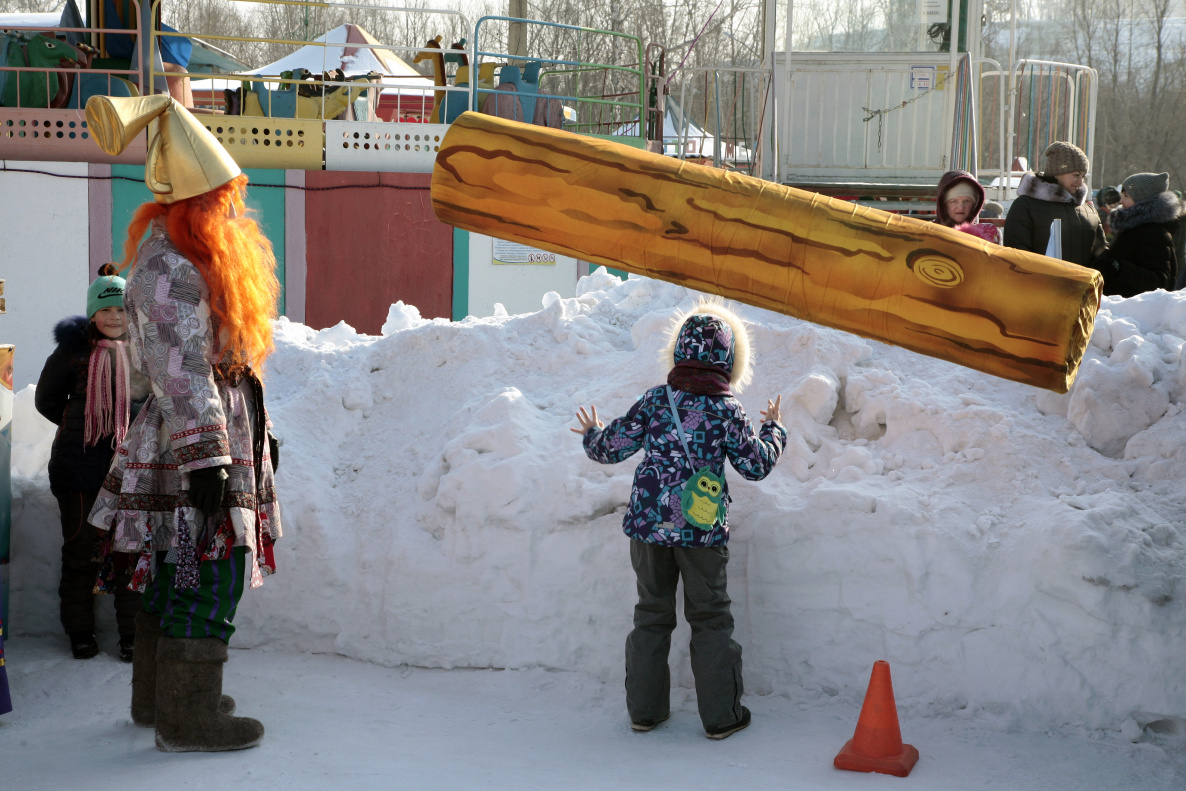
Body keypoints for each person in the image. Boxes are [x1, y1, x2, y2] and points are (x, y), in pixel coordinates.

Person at [84, 94, 281, 752]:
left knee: (175, 569)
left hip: (200, 439)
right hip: (188, 449)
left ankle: (163, 697)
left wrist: (250, 438)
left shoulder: (183, 258)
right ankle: (186, 715)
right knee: (208, 568)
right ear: (192, 204)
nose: (231, 209)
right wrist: (210, 460)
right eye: (221, 199)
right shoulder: (167, 270)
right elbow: (180, 372)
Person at [573, 302, 785, 740]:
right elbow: (755, 466)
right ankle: (721, 718)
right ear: (727, 360)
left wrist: (593, 432)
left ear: (678, 353)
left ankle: (645, 713)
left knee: (651, 613)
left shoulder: (656, 400)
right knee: (710, 617)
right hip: (701, 531)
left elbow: (611, 448)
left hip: (649, 527)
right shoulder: (728, 411)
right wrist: (774, 430)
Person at [35, 265, 150, 661]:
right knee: (81, 551)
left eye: (121, 309)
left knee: (129, 553)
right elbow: (47, 401)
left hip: (131, 468)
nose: (114, 318)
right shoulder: (72, 351)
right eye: (106, 311)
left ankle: (132, 636)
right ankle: (80, 633)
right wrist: (83, 426)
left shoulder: (144, 350)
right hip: (79, 467)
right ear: (92, 314)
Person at [1003, 141, 1106, 267]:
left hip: (1081, 285)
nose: (1080, 182)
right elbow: (1017, 253)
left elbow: (1101, 253)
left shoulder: (1088, 209)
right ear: (1057, 173)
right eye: (1076, 175)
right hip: (1040, 285)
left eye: (1083, 176)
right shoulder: (1026, 206)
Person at [1091, 172, 1182, 297]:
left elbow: (1159, 281)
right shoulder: (1133, 227)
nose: (1121, 201)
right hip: (1124, 307)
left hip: (1135, 311)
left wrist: (1119, 268)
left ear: (1143, 201)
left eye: (1126, 196)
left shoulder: (1154, 233)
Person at [934, 170, 1000, 243]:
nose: (961, 207)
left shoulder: (989, 233)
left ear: (975, 204)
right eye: (954, 201)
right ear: (943, 204)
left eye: (967, 201)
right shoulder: (927, 232)